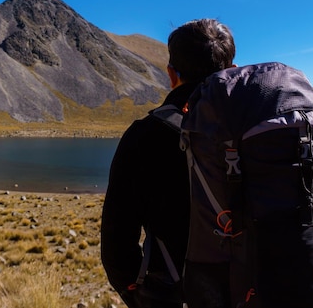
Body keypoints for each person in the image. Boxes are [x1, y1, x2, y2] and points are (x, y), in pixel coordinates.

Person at [101, 19, 236, 308]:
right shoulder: (258, 128)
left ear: (171, 74)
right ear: (233, 72)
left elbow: (116, 245)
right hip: (256, 290)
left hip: (175, 293)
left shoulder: (145, 135)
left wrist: (137, 295)